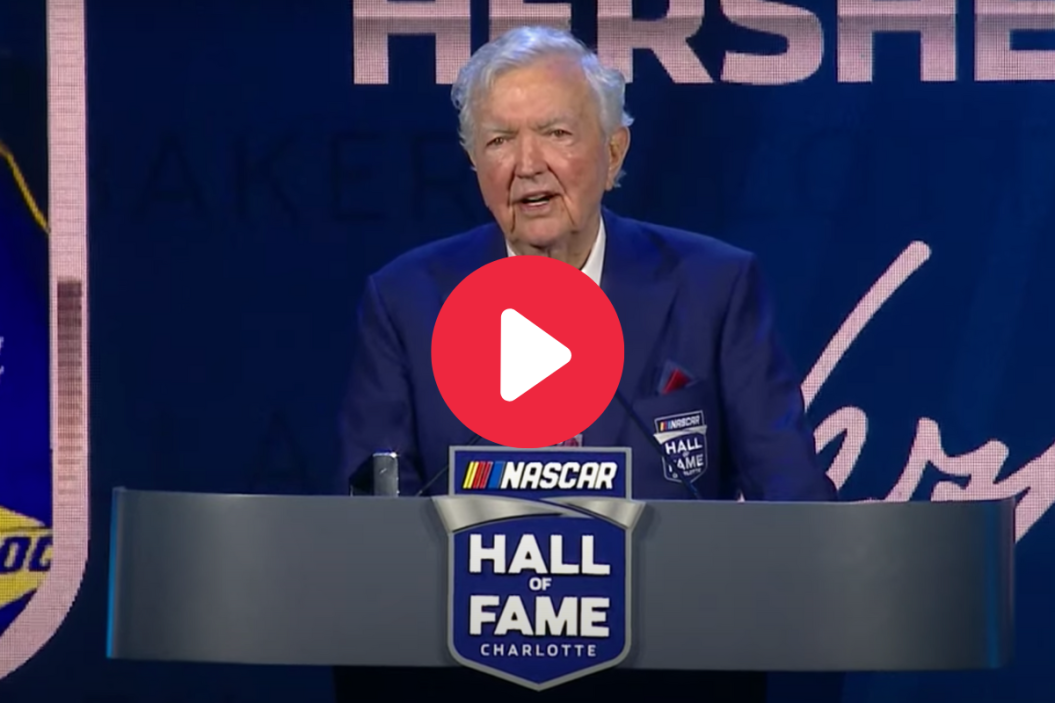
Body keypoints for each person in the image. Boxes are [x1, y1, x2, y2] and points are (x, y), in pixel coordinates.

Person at [335, 25, 838, 703]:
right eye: (498, 141)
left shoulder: (712, 286)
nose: (527, 163)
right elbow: (371, 516)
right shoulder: (408, 298)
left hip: (672, 675)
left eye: (556, 133)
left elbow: (792, 494)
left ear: (612, 150)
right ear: (475, 166)